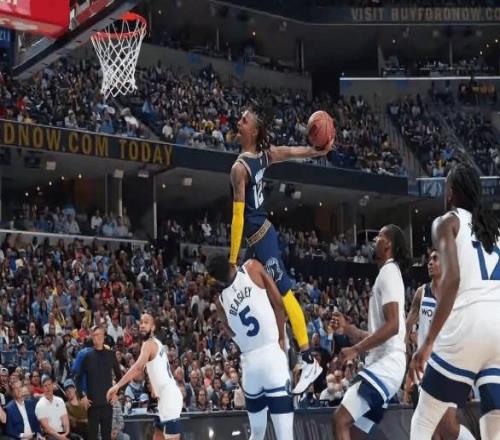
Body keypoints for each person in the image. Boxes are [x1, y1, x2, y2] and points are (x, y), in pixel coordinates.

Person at [229, 109, 333, 393]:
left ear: (253, 131)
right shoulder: (262, 157)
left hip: (262, 239)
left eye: (244, 120)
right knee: (247, 296)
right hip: (257, 242)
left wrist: (232, 259)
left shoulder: (240, 168)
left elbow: (238, 218)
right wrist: (315, 151)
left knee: (285, 295)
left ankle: (307, 359)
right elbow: (291, 151)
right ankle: (277, 351)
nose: (239, 122)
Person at [409, 161, 500, 439]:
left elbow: (452, 279)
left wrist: (428, 342)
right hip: (498, 328)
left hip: (468, 325)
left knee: (423, 421)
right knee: (494, 424)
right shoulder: (495, 231)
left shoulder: (447, 222)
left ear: (449, 192)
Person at [332, 224, 409, 439]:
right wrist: (347, 328)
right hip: (385, 363)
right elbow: (378, 335)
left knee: (340, 419)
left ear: (389, 244)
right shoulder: (387, 274)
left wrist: (355, 350)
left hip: (387, 364)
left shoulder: (389, 272)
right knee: (354, 432)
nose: (374, 240)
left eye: (379, 237)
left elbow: (393, 326)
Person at [208, 255, 293, 440]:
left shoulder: (220, 303)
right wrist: (281, 338)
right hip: (272, 356)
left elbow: (230, 332)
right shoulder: (252, 268)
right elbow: (279, 303)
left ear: (217, 279)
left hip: (250, 367)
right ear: (230, 262)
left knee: (256, 434)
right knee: (285, 436)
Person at [405, 250, 474, 440]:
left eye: (435, 259)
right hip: (423, 366)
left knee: (448, 426)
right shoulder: (421, 293)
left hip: (446, 365)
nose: (429, 263)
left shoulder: (454, 296)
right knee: (430, 428)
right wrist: (406, 352)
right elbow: (407, 325)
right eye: (429, 259)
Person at [106, 313, 183, 440]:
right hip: (163, 398)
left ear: (153, 327)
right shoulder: (157, 343)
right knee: (157, 436)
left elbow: (138, 368)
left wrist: (117, 386)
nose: (142, 325)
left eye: (146, 323)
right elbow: (155, 367)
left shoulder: (149, 344)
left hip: (169, 398)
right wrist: (153, 386)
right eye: (141, 322)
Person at [77, 326, 122, 440]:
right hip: (93, 405)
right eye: (94, 335)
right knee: (92, 437)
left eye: (99, 335)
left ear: (104, 337)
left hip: (107, 404)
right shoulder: (87, 357)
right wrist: (82, 396)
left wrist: (117, 393)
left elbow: (120, 377)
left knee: (107, 437)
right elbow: (78, 378)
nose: (96, 337)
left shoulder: (111, 355)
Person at [35, 375, 76, 440]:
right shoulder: (40, 405)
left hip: (62, 433)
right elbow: (46, 428)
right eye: (45, 386)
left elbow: (65, 422)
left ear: (52, 386)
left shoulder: (60, 400)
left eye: (49, 385)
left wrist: (66, 433)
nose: (48, 387)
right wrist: (60, 437)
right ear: (42, 388)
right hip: (49, 435)